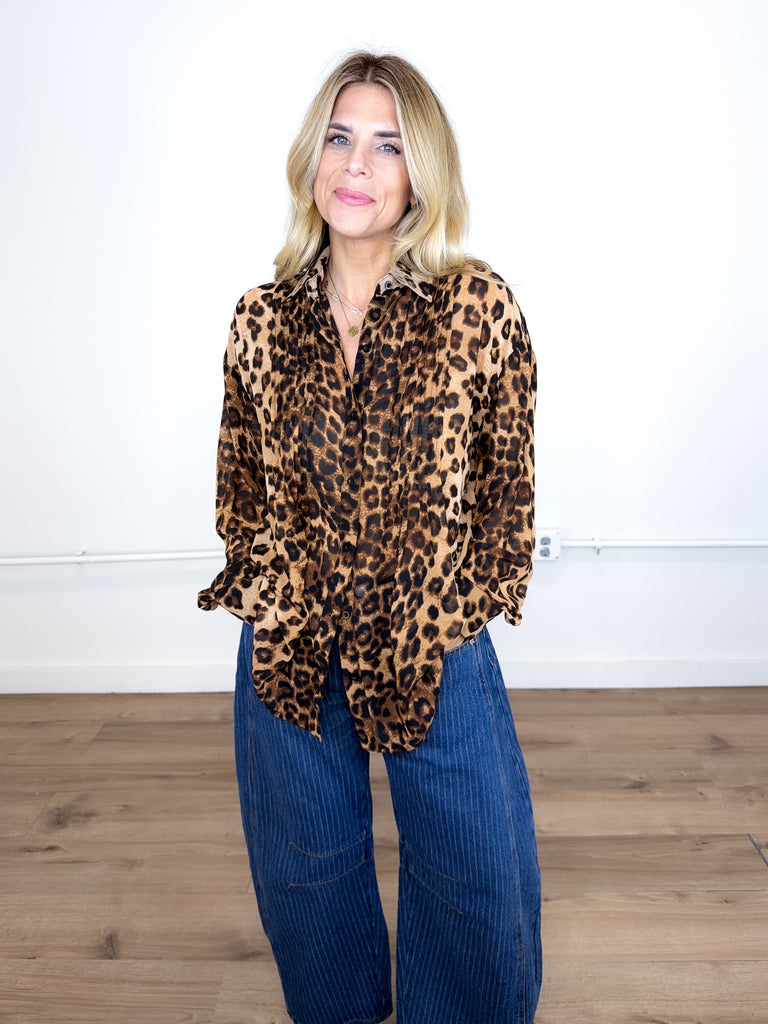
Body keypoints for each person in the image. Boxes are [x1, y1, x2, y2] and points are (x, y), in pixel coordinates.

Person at [199, 50, 541, 1024]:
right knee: (305, 862)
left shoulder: (475, 308)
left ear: (420, 174)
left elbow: (507, 489)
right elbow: (239, 483)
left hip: (427, 633)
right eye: (340, 138)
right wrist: (270, 590)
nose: (357, 163)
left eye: (387, 145)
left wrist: (456, 606)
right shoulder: (261, 319)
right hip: (292, 635)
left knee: (473, 862)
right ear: (312, 159)